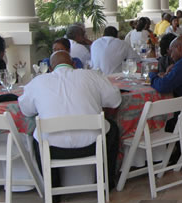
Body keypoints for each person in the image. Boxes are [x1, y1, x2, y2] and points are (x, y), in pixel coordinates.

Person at [18, 51, 122, 190]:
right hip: (93, 145)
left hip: (53, 149)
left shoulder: (37, 82)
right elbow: (115, 101)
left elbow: (26, 110)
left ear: (49, 68)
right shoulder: (90, 75)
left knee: (38, 136)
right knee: (112, 128)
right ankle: (106, 183)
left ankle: (52, 189)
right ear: (74, 64)